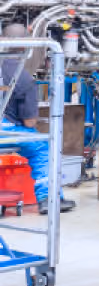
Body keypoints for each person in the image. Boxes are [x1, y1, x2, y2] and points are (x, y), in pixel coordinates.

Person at [0, 24, 75, 214]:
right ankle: (47, 199)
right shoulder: (24, 78)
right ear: (27, 47)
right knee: (42, 147)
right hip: (7, 131)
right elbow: (29, 122)